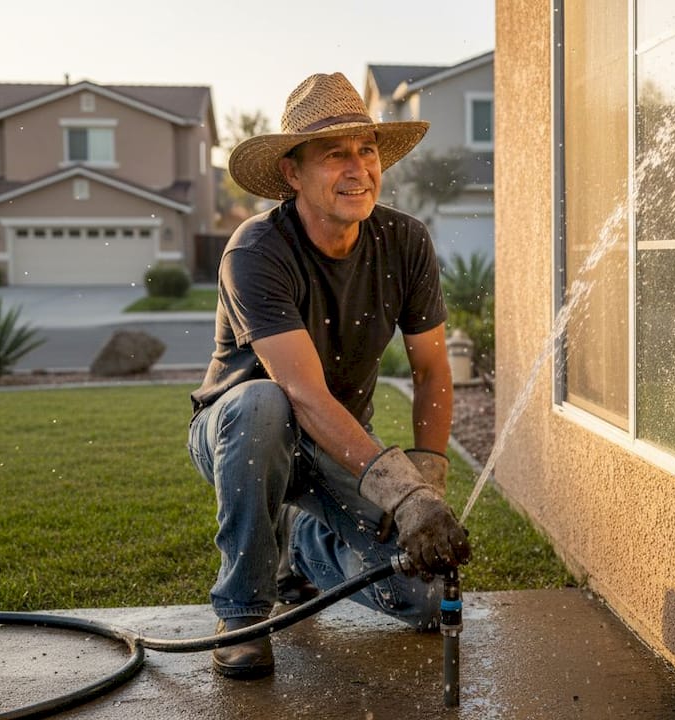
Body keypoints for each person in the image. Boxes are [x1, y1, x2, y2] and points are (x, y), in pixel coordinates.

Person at [186, 72, 472, 679]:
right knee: (263, 402)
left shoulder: (405, 241)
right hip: (241, 432)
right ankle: (242, 612)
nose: (357, 168)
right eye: (334, 153)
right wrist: (400, 493)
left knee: (422, 598)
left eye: (366, 150)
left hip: (339, 448)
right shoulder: (256, 251)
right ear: (292, 173)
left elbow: (431, 368)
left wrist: (427, 481)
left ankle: (302, 548)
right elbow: (301, 394)